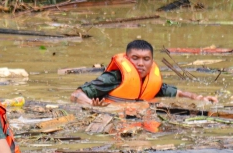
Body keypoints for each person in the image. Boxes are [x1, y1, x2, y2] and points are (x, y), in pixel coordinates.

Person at [70, 39, 218, 106]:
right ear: (127, 59)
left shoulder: (152, 82)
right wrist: (91, 104)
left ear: (152, 61)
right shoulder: (114, 78)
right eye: (135, 58)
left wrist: (200, 98)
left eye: (146, 59)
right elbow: (75, 95)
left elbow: (178, 93)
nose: (141, 63)